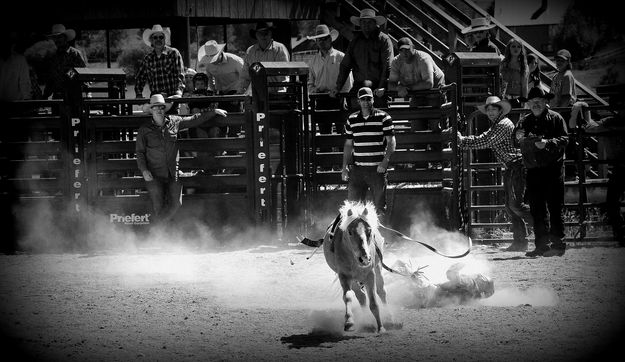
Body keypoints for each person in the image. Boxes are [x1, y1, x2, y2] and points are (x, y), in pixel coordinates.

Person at [453, 96, 533, 251]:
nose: (490, 112)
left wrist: (461, 140)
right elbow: (487, 139)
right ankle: (520, 241)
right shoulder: (499, 124)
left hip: (517, 166)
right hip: (512, 166)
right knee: (511, 206)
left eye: (493, 109)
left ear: (500, 110)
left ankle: (546, 227)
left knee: (516, 205)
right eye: (488, 109)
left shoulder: (503, 124)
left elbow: (486, 141)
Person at [135, 94, 228, 226]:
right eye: (156, 108)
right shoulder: (144, 130)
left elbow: (194, 119)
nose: (159, 110)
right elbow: (140, 152)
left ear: (164, 109)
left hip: (173, 173)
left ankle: (157, 231)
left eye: (161, 107)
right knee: (158, 205)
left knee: (176, 204)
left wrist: (213, 112)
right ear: (151, 110)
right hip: (154, 174)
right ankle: (162, 234)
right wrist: (144, 170)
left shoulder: (174, 121)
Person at [514, 87, 569, 257]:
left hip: (553, 169)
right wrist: (517, 136)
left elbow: (565, 139)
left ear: (546, 102)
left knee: (554, 207)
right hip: (533, 170)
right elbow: (515, 141)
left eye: (539, 101)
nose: (535, 104)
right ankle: (541, 245)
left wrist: (548, 143)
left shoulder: (556, 118)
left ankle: (558, 244)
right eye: (532, 102)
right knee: (537, 209)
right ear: (528, 104)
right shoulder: (524, 121)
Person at [388, 36, 445, 169]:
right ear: (399, 51)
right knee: (417, 127)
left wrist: (407, 89)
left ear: (413, 48)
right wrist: (399, 88)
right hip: (417, 94)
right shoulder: (397, 62)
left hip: (435, 93)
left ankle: (442, 162)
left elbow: (429, 83)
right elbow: (390, 84)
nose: (405, 53)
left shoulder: (423, 58)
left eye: (408, 49)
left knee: (436, 127)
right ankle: (421, 164)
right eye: (402, 50)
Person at [342, 86, 396, 220]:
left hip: (377, 170)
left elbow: (391, 142)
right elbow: (348, 145)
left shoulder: (384, 117)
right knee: (353, 209)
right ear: (358, 101)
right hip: (358, 170)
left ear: (373, 100)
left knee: (379, 209)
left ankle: (380, 239)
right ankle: (355, 240)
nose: (366, 102)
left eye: (368, 99)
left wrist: (385, 161)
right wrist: (344, 168)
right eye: (363, 99)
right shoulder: (352, 119)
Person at [575, 102, 625, 246]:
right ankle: (620, 234)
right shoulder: (610, 122)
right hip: (619, 168)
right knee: (611, 202)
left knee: (612, 202)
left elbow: (590, 127)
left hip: (619, 168)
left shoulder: (610, 122)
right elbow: (589, 128)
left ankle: (620, 234)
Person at [331, 8, 394, 110]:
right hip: (359, 86)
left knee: (379, 119)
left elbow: (387, 65)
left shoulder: (384, 40)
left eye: (369, 22)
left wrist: (382, 86)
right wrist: (338, 87)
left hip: (378, 87)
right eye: (363, 22)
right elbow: (345, 65)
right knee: (356, 119)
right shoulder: (355, 41)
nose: (366, 25)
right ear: (360, 24)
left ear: (375, 24)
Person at [306, 24, 353, 138]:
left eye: (324, 38)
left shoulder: (341, 57)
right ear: (316, 41)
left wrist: (342, 94)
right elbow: (310, 82)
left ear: (330, 39)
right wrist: (314, 91)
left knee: (342, 133)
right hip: (321, 99)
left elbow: (348, 80)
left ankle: (341, 154)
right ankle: (326, 153)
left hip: (339, 99)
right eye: (319, 39)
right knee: (324, 134)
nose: (322, 41)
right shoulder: (312, 61)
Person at [197, 39, 245, 137]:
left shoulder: (235, 61)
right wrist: (214, 91)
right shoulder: (209, 65)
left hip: (235, 93)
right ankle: (222, 148)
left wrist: (239, 94)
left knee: (234, 123)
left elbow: (245, 77)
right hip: (220, 94)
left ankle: (234, 149)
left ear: (220, 53)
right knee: (220, 123)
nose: (212, 61)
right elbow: (209, 78)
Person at [134, 24, 185, 114]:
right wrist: (138, 94)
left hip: (171, 96)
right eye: (155, 37)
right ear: (151, 41)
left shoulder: (174, 53)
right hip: (156, 97)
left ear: (164, 39)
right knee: (157, 123)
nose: (158, 40)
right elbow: (140, 78)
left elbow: (179, 75)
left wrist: (178, 92)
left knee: (173, 122)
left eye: (161, 37)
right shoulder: (148, 58)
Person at [238, 21, 290, 95]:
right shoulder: (250, 51)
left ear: (271, 34)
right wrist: (240, 92)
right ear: (256, 35)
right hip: (257, 95)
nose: (263, 36)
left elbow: (283, 74)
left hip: (276, 94)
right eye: (260, 33)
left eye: (266, 33)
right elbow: (246, 75)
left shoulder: (280, 49)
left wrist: (281, 93)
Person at [42, 24, 86, 100]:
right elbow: (51, 77)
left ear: (65, 38)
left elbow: (81, 72)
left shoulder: (74, 54)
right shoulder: (53, 56)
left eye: (59, 37)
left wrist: (66, 76)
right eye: (55, 38)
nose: (57, 40)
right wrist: (46, 94)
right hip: (58, 95)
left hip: (73, 94)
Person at [0, 31, 32, 101]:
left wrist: (27, 99)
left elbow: (24, 83)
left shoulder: (20, 60)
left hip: (15, 103)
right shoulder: (20, 60)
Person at [500, 38, 528, 109]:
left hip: (517, 100)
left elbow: (524, 86)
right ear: (509, 48)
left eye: (519, 47)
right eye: (513, 46)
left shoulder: (524, 66)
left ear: (521, 50)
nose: (516, 48)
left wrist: (524, 102)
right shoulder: (503, 64)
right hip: (503, 99)